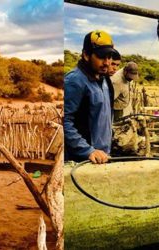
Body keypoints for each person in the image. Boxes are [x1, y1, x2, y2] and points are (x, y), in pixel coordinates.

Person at [64, 30, 115, 164]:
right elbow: (64, 121)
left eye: (109, 57)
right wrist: (88, 150)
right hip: (83, 159)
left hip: (103, 156)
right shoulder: (75, 81)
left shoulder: (105, 80)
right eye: (101, 57)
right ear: (86, 55)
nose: (107, 62)